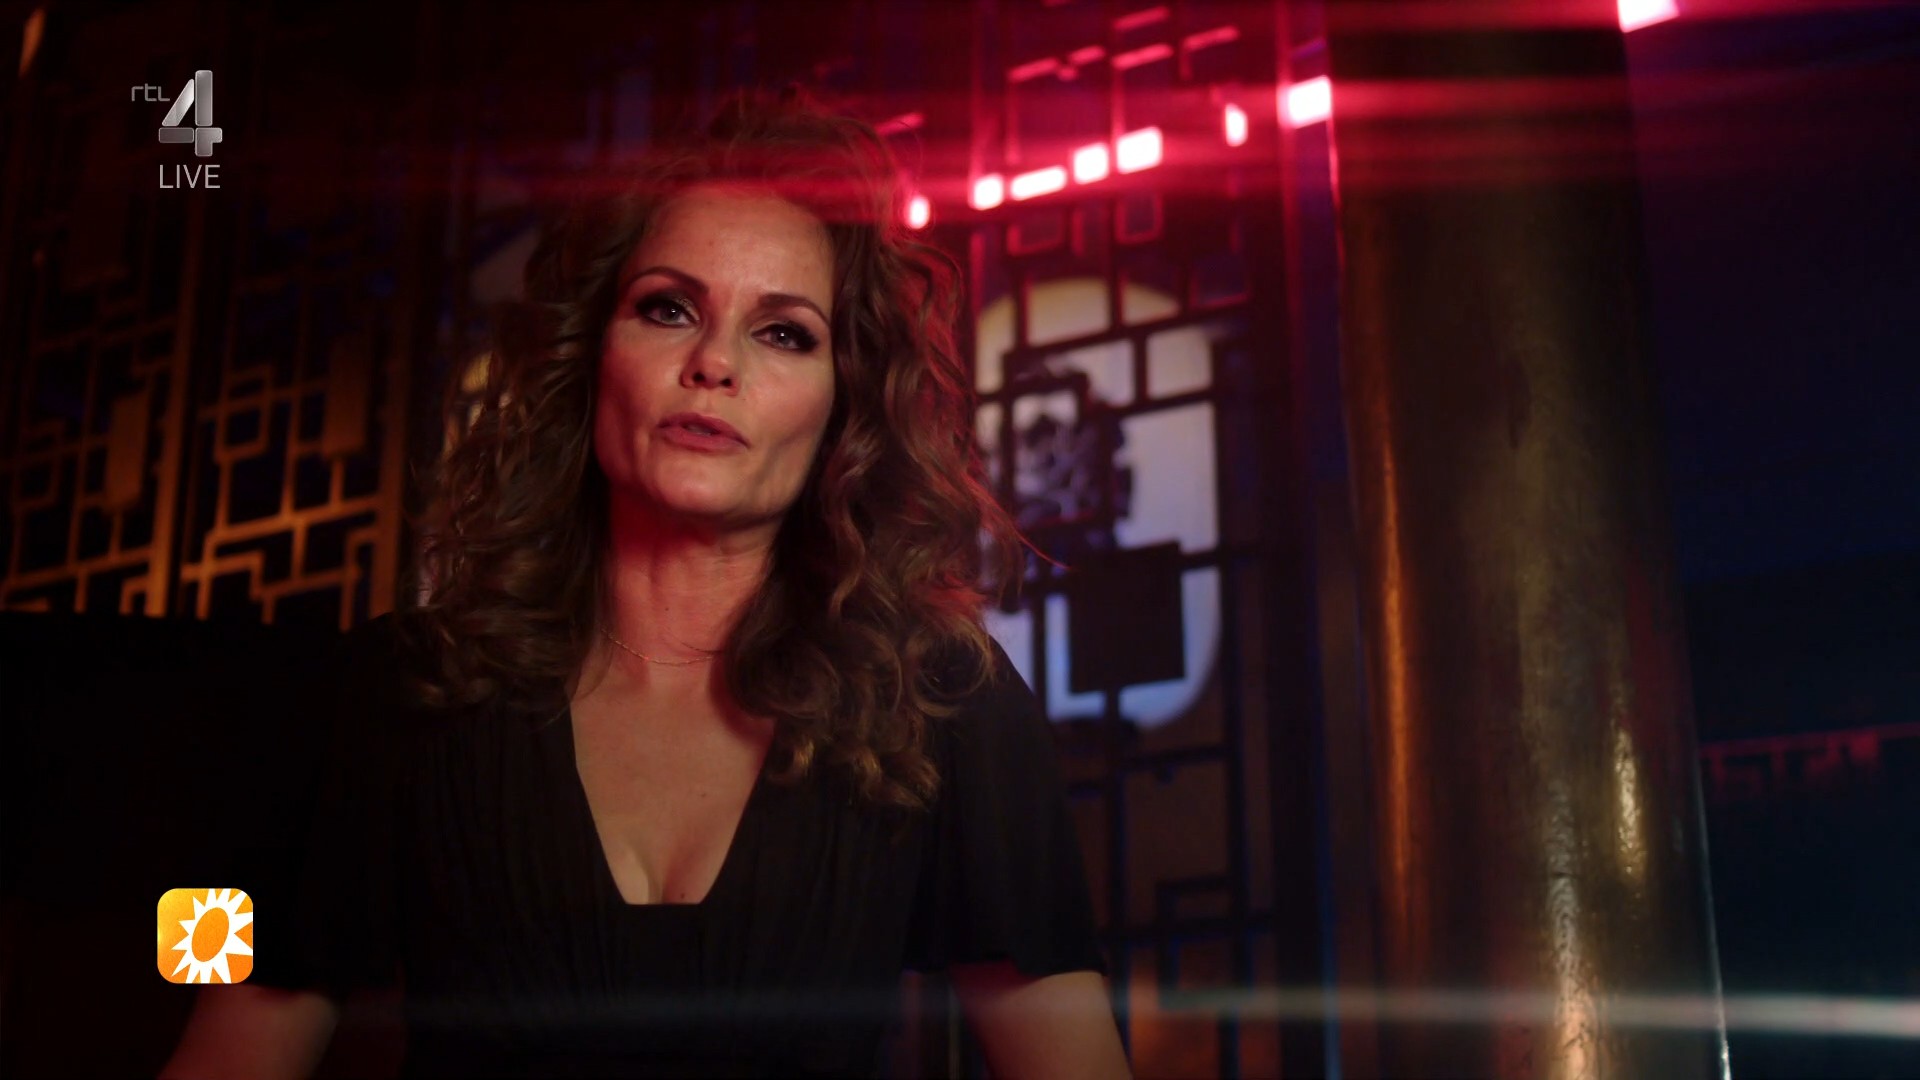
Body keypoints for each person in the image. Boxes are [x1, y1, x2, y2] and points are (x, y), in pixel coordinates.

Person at [159, 88, 1130, 1079]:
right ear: (590, 358)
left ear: (843, 409)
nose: (712, 362)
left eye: (784, 333)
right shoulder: (396, 687)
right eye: (668, 309)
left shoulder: (941, 701)